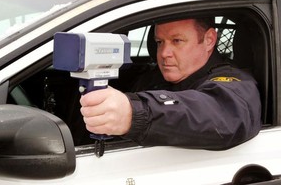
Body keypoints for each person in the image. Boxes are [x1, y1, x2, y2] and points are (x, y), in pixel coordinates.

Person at [79, 18, 262, 150]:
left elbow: (222, 114)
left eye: (177, 41)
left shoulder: (235, 83)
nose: (164, 52)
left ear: (209, 40)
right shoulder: (153, 77)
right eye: (159, 42)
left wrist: (135, 114)